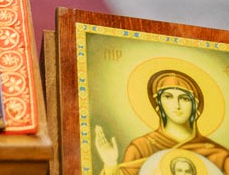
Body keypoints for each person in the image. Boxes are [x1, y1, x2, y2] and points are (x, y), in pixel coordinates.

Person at [94, 68, 229, 173]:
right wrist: (110, 164)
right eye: (168, 97)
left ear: (195, 105)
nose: (177, 105)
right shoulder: (141, 147)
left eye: (185, 98)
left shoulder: (219, 155)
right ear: (158, 103)